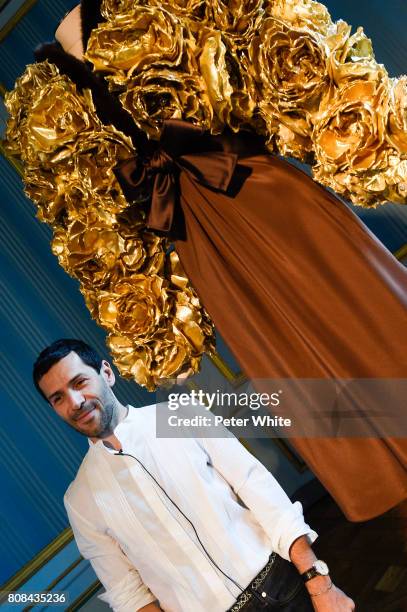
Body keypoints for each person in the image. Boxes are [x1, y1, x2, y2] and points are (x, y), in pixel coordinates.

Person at [6, 0, 407, 523]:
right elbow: (93, 225)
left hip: (259, 190)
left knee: (370, 314)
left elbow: (264, 59)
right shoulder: (42, 99)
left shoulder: (156, 7)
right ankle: (385, 481)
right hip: (200, 247)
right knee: (296, 373)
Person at [33, 338, 354, 612]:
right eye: (58, 398)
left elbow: (259, 490)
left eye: (79, 383)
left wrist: (320, 583)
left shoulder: (179, 415)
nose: (75, 402)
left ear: (106, 373)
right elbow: (127, 592)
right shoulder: (80, 500)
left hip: (284, 585)